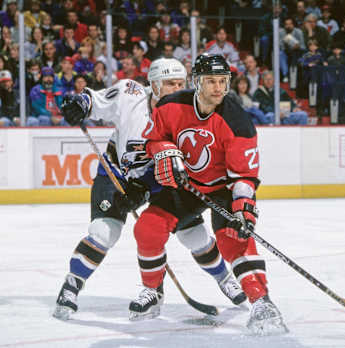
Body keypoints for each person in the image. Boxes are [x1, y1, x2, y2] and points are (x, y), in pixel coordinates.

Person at [53, 58, 246, 321]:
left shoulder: (190, 110)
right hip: (116, 173)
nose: (176, 89)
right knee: (103, 232)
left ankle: (224, 278)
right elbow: (94, 102)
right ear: (153, 85)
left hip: (160, 179)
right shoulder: (128, 93)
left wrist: (144, 189)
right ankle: (71, 286)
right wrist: (79, 104)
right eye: (169, 83)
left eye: (180, 83)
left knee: (193, 235)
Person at [135, 54, 287, 335]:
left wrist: (243, 207)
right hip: (186, 186)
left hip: (223, 190)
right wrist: (165, 152)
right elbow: (154, 139)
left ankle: (261, 301)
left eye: (222, 81)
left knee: (234, 239)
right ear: (196, 82)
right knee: (148, 229)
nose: (218, 88)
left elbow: (244, 174)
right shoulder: (170, 105)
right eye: (211, 81)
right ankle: (152, 291)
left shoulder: (237, 121)